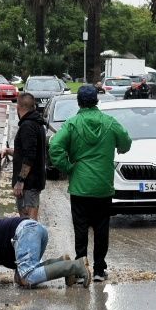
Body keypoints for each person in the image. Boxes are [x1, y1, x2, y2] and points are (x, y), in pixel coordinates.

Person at [49, 84, 132, 282]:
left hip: (80, 186)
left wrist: (68, 167)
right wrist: (117, 148)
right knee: (102, 229)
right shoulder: (110, 123)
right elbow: (126, 143)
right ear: (97, 101)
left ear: (79, 102)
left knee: (80, 228)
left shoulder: (72, 124)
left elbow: (54, 147)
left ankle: (80, 269)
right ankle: (99, 271)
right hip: (103, 186)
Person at [0, 92, 47, 220]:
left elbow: (29, 156)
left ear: (18, 108)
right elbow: (26, 152)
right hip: (32, 181)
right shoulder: (37, 123)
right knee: (27, 222)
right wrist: (8, 150)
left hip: (29, 184)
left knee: (29, 223)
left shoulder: (28, 126)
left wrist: (20, 181)